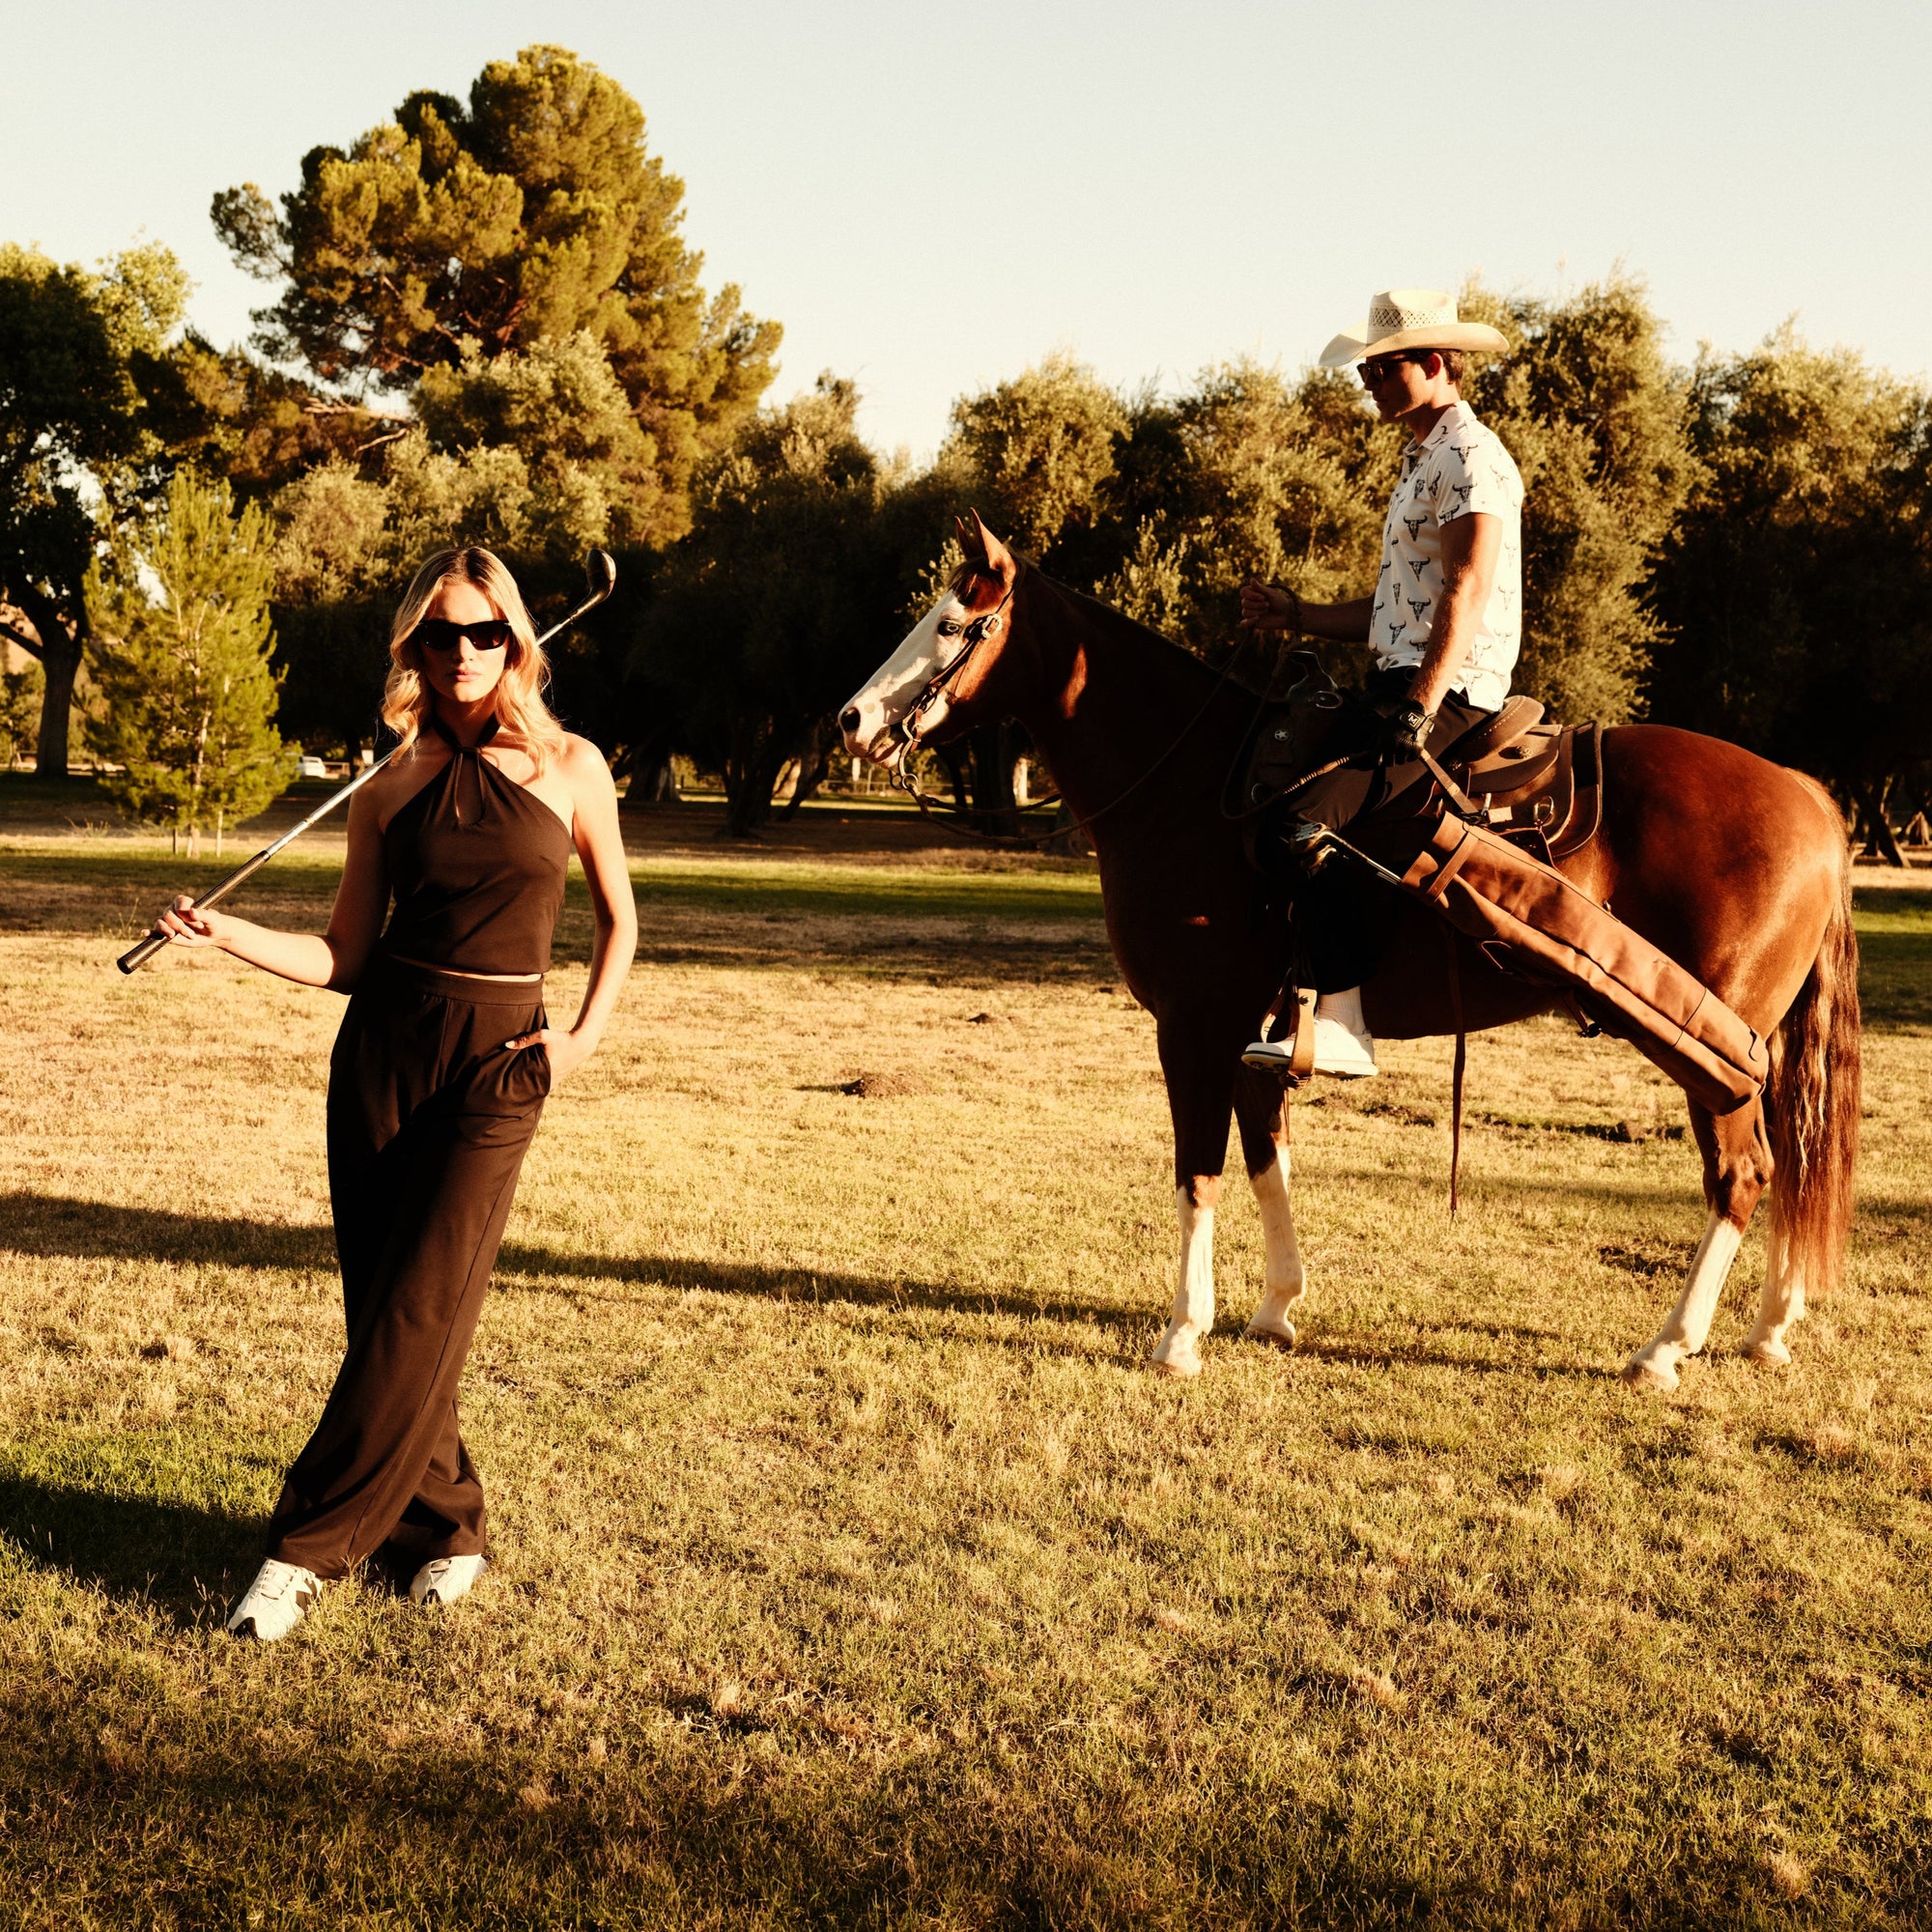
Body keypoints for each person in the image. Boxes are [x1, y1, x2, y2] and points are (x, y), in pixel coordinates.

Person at [146, 547, 638, 1640]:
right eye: (440, 635)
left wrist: (575, 1046)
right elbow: (342, 956)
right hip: (382, 1050)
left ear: (515, 641)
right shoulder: (391, 777)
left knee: (423, 1297)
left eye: (484, 633)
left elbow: (619, 921)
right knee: (390, 1306)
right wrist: (221, 932)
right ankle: (448, 1523)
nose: (463, 652)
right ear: (414, 647)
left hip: (500, 1055)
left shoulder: (572, 765)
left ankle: (301, 1549)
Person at [1238, 288, 1520, 1078]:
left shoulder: (1470, 457)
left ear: (1435, 364)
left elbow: (1465, 591)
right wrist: (1297, 615)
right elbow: (1398, 606)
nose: (1369, 379)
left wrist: (1421, 707)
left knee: (1305, 824)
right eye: (1367, 367)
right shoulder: (1423, 460)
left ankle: (1346, 1023)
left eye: (1384, 365)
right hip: (1405, 680)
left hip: (1448, 692)